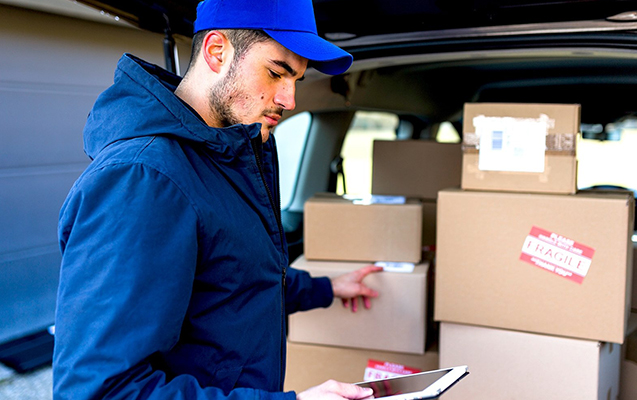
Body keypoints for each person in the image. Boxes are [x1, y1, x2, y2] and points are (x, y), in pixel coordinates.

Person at [52, 0, 384, 399]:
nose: (289, 99)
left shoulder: (229, 157)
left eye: (296, 79)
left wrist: (326, 288)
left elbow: (236, 277)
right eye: (276, 72)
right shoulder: (143, 179)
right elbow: (101, 390)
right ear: (216, 51)